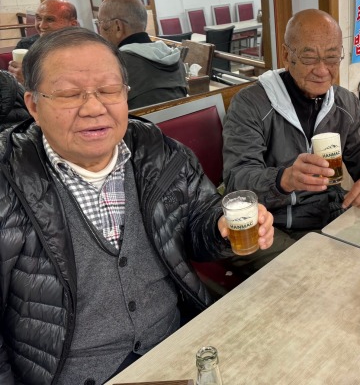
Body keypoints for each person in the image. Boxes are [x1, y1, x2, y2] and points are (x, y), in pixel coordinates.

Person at [0, 27, 274, 384]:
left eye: (109, 90)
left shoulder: (157, 152)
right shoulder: (9, 181)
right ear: (34, 105)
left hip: (176, 345)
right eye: (69, 94)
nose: (94, 108)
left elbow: (199, 221)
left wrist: (219, 227)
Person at [222, 8, 360, 271]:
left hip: (329, 214)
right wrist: (284, 179)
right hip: (270, 228)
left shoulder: (344, 102)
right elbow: (237, 180)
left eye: (332, 58)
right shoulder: (250, 104)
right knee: (314, 274)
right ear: (286, 55)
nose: (322, 70)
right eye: (309, 57)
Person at [97, 0, 188, 109]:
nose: (99, 31)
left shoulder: (117, 65)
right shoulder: (175, 59)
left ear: (118, 26)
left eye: (100, 23)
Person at [8, 0, 79, 84]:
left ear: (72, 24)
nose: (41, 25)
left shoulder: (84, 49)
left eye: (50, 19)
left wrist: (29, 80)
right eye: (38, 18)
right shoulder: (26, 45)